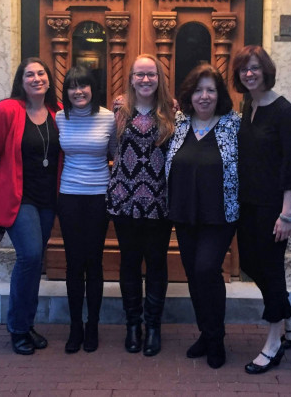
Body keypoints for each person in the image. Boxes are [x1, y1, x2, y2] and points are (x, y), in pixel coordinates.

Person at [232, 45, 291, 374]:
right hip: (247, 204)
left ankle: (274, 342)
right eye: (244, 69)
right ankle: (290, 314)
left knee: (272, 270)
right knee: (249, 263)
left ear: (266, 70)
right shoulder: (248, 105)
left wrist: (287, 214)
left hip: (274, 207)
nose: (249, 73)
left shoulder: (283, 110)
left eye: (254, 68)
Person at [0, 57, 61, 355]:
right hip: (17, 198)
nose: (36, 78)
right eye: (30, 74)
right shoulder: (7, 110)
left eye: (41, 73)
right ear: (21, 80)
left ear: (49, 79)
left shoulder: (58, 114)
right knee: (29, 256)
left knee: (35, 260)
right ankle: (17, 327)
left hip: (46, 199)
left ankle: (26, 325)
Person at [165, 64, 240, 369]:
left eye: (211, 90)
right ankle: (206, 334)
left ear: (219, 94)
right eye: (198, 90)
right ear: (189, 95)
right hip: (185, 214)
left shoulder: (234, 125)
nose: (204, 96)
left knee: (207, 269)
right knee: (194, 275)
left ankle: (216, 336)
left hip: (220, 215)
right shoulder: (179, 123)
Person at [107, 54, 175, 356]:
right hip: (125, 201)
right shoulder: (119, 110)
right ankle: (132, 325)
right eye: (139, 75)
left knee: (157, 263)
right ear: (131, 78)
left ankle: (153, 327)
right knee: (130, 262)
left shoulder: (172, 113)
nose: (145, 80)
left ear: (159, 78)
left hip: (161, 202)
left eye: (151, 74)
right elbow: (110, 149)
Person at [56, 66, 117, 354]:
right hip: (69, 196)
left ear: (93, 88)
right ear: (66, 91)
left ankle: (92, 325)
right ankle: (75, 327)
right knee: (73, 263)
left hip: (98, 197)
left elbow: (116, 155)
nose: (78, 91)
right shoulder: (59, 117)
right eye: (72, 86)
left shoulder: (108, 118)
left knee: (93, 262)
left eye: (83, 86)